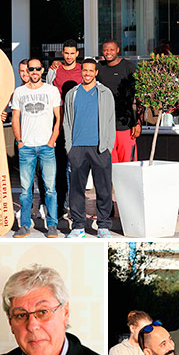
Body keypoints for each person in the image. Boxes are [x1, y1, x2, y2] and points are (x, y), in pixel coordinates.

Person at [63, 57, 116, 239]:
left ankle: (103, 226)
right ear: (81, 71)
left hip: (99, 148)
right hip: (77, 148)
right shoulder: (72, 93)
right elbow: (67, 121)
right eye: (84, 70)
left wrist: (108, 145)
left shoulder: (105, 93)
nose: (87, 73)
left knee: (103, 189)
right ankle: (78, 226)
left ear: (96, 72)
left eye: (90, 70)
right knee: (77, 190)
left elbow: (110, 120)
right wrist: (69, 146)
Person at [11, 57, 61, 237]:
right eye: (30, 69)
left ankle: (52, 225)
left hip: (47, 147)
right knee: (25, 190)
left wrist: (53, 139)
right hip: (27, 147)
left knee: (50, 189)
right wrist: (19, 141)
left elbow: (58, 117)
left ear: (42, 71)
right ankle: (24, 225)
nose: (33, 72)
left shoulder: (52, 90)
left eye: (37, 69)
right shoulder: (19, 92)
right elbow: (15, 118)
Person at [46, 39, 82, 218]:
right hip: (58, 122)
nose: (68, 56)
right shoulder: (55, 71)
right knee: (60, 166)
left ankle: (76, 206)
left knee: (76, 166)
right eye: (65, 53)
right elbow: (48, 94)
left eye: (71, 53)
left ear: (77, 54)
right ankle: (61, 206)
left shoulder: (84, 71)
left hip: (77, 124)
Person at [98, 38, 141, 162]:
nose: (108, 52)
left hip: (126, 125)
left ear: (117, 50)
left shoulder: (129, 67)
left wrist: (138, 121)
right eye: (105, 50)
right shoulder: (99, 68)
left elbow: (139, 96)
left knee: (127, 164)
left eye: (111, 49)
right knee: (110, 165)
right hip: (106, 126)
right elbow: (84, 70)